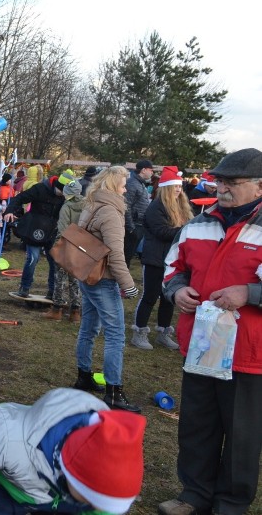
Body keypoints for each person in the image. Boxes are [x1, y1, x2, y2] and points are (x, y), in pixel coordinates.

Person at [158, 148, 262, 515]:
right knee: (197, 425)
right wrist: (177, 290)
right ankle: (194, 494)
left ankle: (231, 503)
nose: (222, 187)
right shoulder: (198, 223)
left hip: (249, 351)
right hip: (201, 343)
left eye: (232, 182)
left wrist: (248, 293)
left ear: (259, 186)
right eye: (220, 180)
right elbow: (173, 267)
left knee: (242, 434)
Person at [0, 388, 146, 515]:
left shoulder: (106, 470)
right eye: (93, 500)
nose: (97, 508)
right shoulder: (8, 437)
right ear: (72, 476)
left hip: (55, 497)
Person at [72, 165, 140, 413]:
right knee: (115, 335)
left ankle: (84, 376)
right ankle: (114, 392)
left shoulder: (92, 204)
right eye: (123, 185)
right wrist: (129, 286)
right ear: (113, 186)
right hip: (103, 279)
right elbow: (116, 255)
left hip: (87, 275)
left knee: (88, 328)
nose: (125, 190)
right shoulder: (110, 212)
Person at [131, 166, 192, 351]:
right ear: (166, 188)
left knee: (168, 298)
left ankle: (164, 333)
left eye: (180, 187)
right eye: (175, 187)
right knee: (150, 296)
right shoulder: (156, 207)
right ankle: (139, 332)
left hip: (173, 261)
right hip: (155, 258)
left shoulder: (181, 207)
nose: (178, 190)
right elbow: (162, 232)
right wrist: (186, 230)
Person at [3, 170, 75, 299]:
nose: (63, 196)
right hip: (35, 230)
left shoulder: (66, 197)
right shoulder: (40, 189)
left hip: (53, 232)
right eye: (62, 192)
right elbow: (19, 198)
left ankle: (52, 291)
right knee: (33, 258)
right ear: (57, 187)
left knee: (54, 261)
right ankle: (24, 287)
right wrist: (10, 211)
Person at [44, 180, 85, 322]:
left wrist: (56, 248)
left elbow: (62, 229)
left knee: (60, 278)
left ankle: (57, 309)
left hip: (66, 246)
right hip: (80, 246)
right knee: (75, 279)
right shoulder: (87, 205)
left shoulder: (66, 207)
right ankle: (75, 312)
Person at [124, 159, 153, 267]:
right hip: (134, 226)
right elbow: (126, 205)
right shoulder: (132, 183)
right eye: (150, 170)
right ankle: (120, 282)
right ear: (144, 170)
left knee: (129, 255)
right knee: (126, 256)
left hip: (138, 224)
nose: (152, 172)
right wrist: (131, 228)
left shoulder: (140, 183)